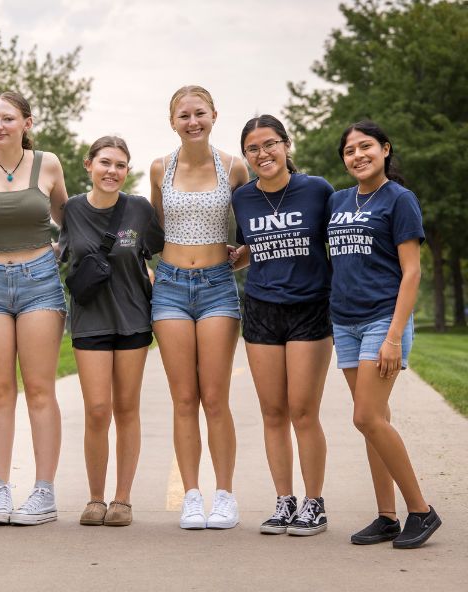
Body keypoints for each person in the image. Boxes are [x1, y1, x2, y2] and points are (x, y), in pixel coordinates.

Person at [328, 120, 441, 548]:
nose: (358, 155)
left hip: (382, 319)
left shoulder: (399, 199)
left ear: (385, 149)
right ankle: (387, 516)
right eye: (350, 150)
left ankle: (421, 511)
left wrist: (394, 336)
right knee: (374, 422)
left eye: (366, 146)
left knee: (366, 416)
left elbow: (412, 272)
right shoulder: (338, 200)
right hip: (345, 321)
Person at [0, 91, 69, 526]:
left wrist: (63, 257)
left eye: (7, 118)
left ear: (27, 123)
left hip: (39, 282)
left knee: (40, 389)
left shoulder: (48, 164)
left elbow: (69, 221)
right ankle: (1, 490)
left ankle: (43, 492)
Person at [149, 85, 249, 530]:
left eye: (200, 113)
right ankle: (192, 496)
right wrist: (148, 271)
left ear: (214, 115)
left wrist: (240, 257)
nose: (193, 122)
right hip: (170, 287)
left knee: (214, 397)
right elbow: (153, 232)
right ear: (172, 122)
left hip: (217, 288)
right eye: (184, 115)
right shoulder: (159, 168)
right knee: (184, 398)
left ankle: (224, 495)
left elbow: (252, 228)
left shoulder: (234, 166)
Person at [231, 115, 333, 536]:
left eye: (270, 143)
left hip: (309, 308)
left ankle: (314, 503)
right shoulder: (242, 198)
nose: (263, 153)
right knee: (272, 412)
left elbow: (338, 240)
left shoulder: (318, 190)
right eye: (253, 148)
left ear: (286, 145)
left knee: (303, 411)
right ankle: (284, 500)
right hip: (261, 309)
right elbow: (248, 249)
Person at [59, 136, 164, 527]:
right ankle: (95, 498)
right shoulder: (71, 210)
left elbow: (160, 248)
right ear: (89, 165)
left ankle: (122, 499)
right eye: (105, 162)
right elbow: (59, 252)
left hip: (133, 319)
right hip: (90, 321)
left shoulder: (139, 209)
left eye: (120, 165)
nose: (112, 171)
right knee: (97, 410)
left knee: (126, 408)